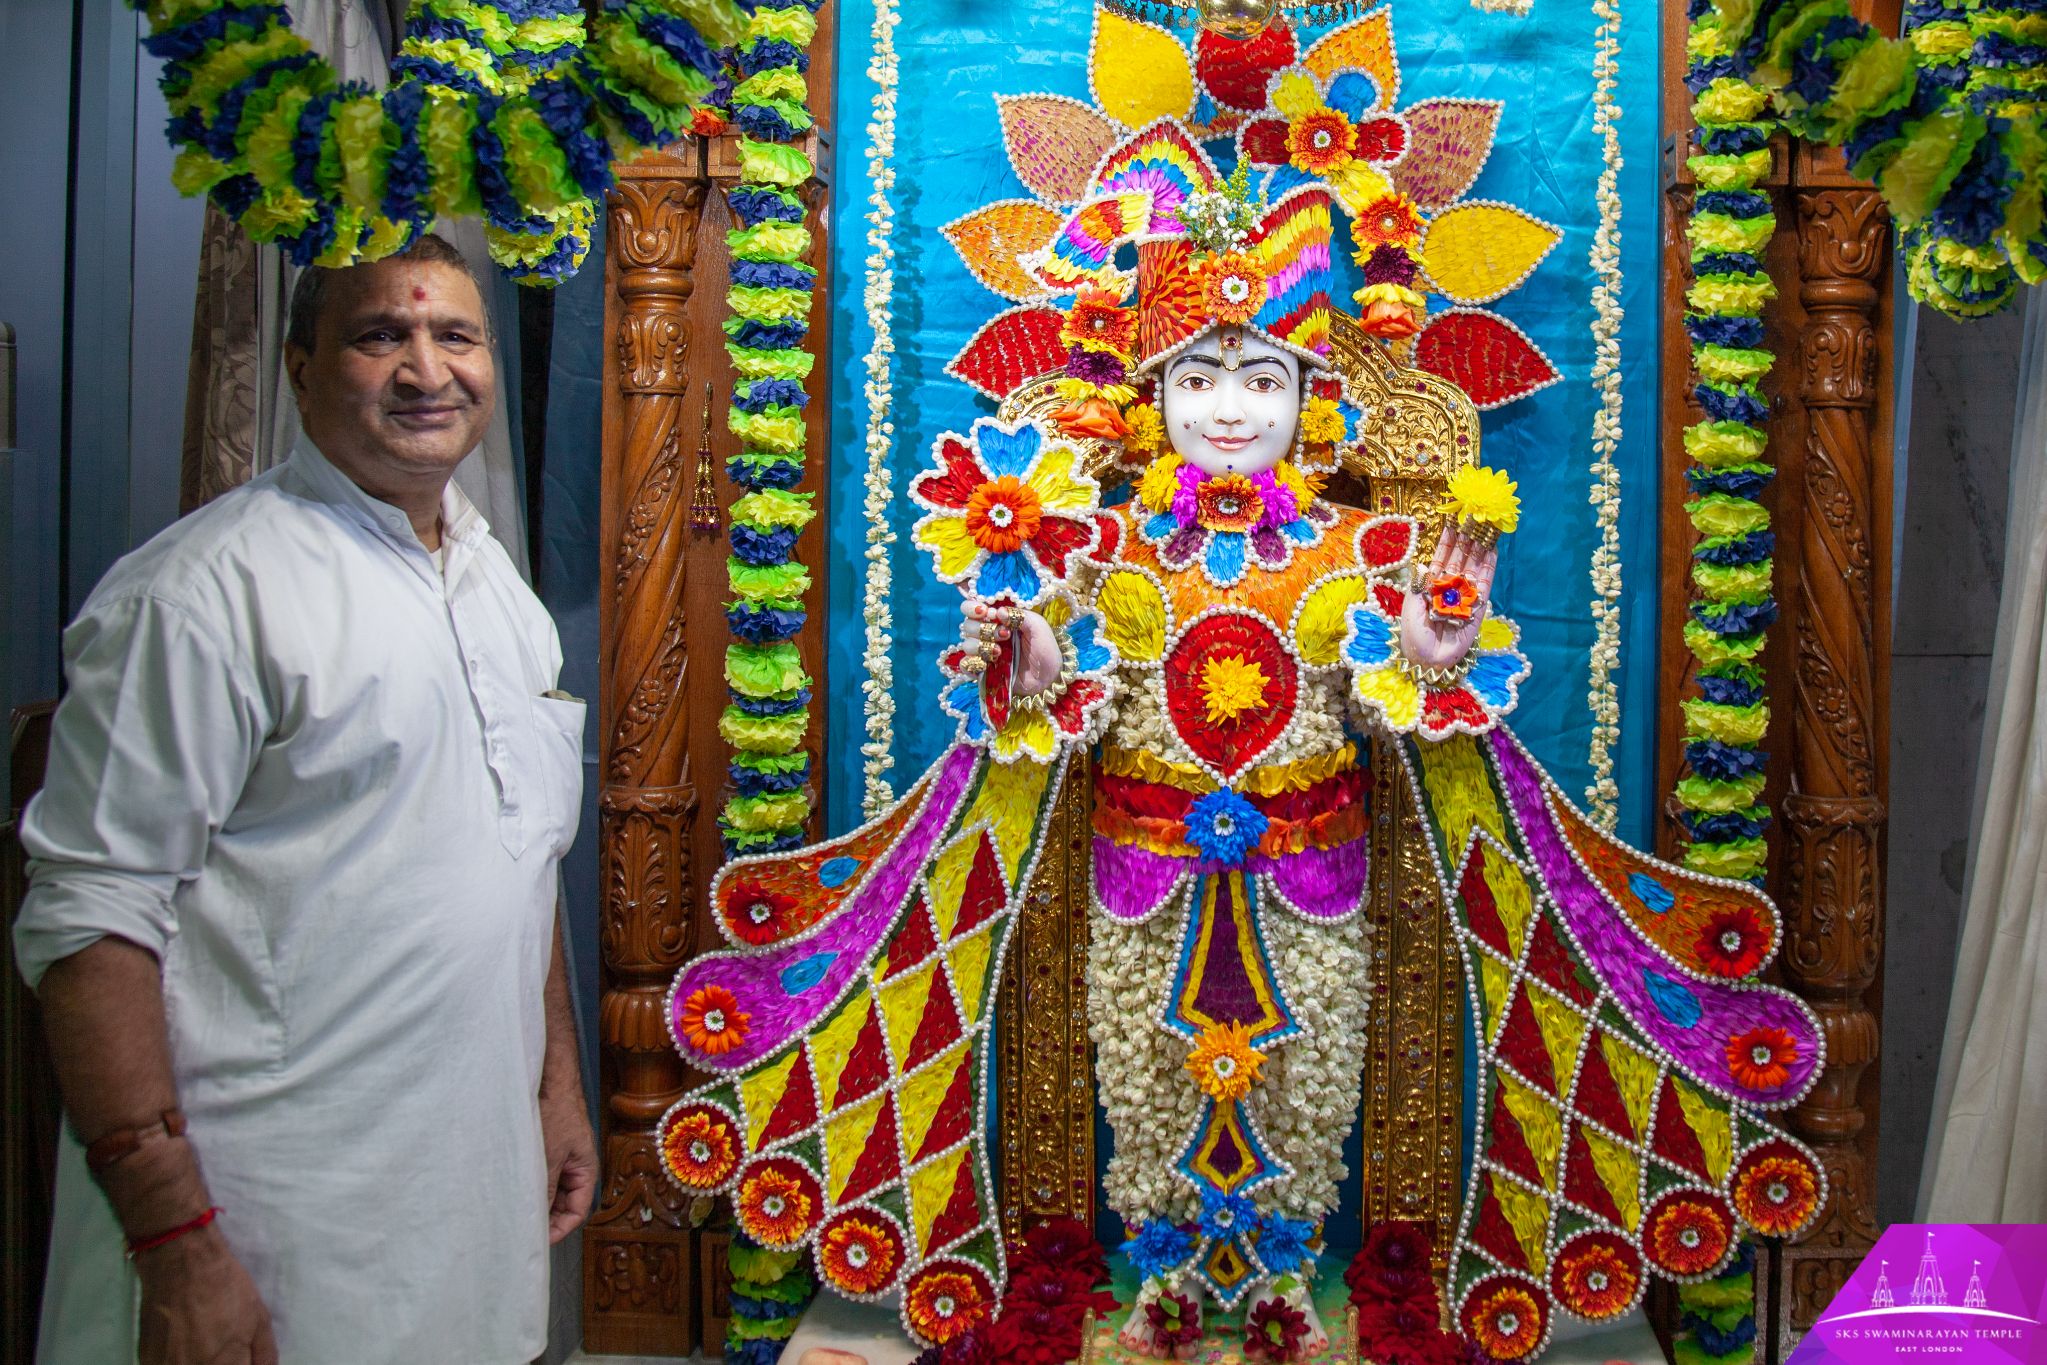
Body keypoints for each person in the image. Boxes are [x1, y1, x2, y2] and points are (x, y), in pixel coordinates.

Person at [13, 232, 593, 1365]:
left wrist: (554, 1087)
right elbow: (90, 927)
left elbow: (514, 863)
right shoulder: (200, 597)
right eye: (381, 335)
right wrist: (175, 1244)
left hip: (464, 1192)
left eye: (455, 335)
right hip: (269, 1221)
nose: (427, 371)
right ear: (298, 365)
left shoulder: (492, 584)